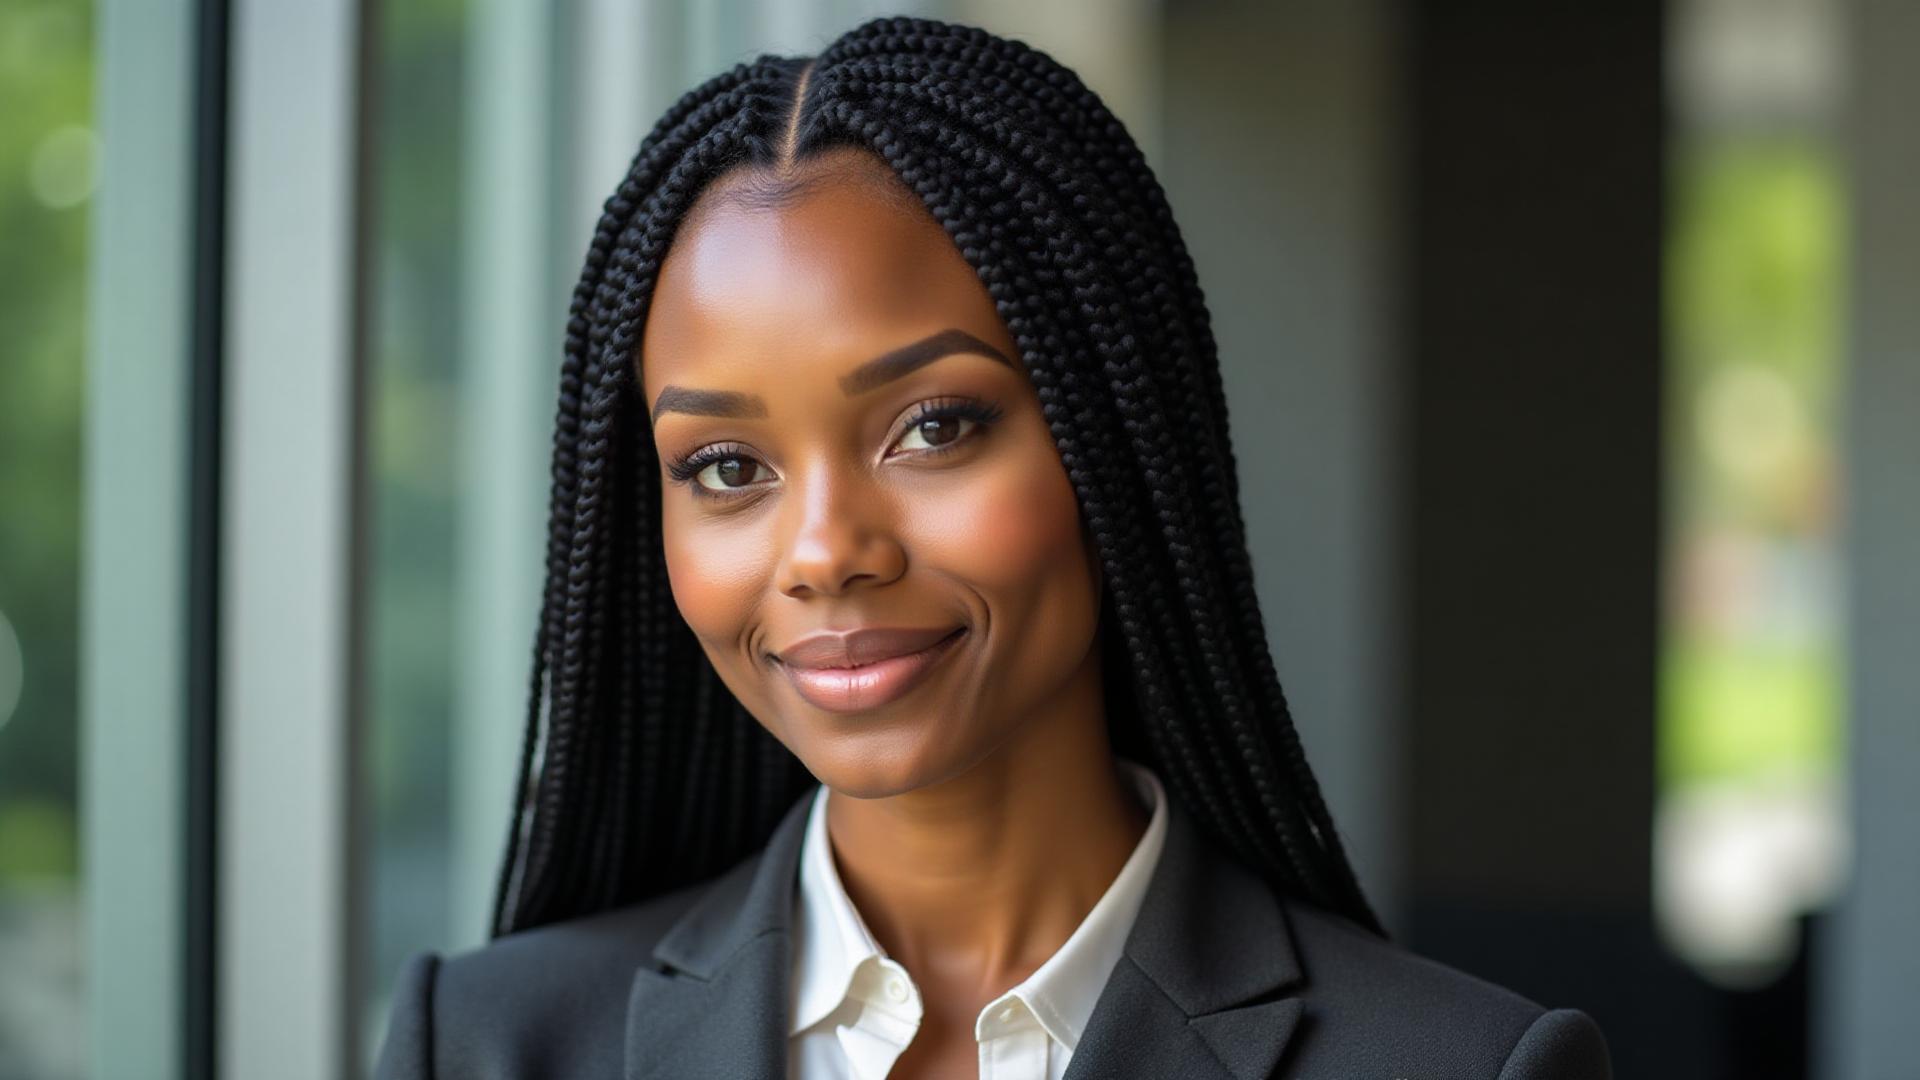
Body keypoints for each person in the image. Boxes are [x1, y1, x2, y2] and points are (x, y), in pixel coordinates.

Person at [373, 15, 1612, 1079]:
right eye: (727, 468)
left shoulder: (1465, 1065)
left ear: (1109, 438)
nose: (824, 552)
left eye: (933, 427)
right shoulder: (485, 1044)